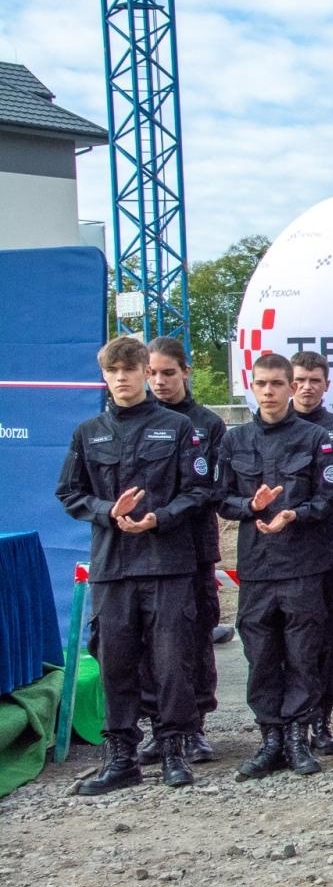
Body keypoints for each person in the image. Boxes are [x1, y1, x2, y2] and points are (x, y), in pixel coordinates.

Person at [57, 336, 209, 792]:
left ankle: (174, 751)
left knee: (172, 662)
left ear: (146, 371)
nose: (121, 377)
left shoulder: (178, 428)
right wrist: (109, 512)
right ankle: (121, 758)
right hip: (114, 567)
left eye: (130, 368)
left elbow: (200, 493)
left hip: (167, 564)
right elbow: (69, 494)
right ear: (104, 376)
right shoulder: (88, 433)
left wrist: (157, 518)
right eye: (113, 370)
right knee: (115, 663)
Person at [215, 353, 333, 779]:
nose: (268, 392)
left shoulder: (315, 438)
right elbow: (220, 498)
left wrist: (295, 513)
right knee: (262, 655)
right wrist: (249, 506)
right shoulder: (235, 442)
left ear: (290, 388)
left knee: (304, 654)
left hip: (304, 565)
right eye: (261, 384)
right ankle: (270, 737)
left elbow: (330, 497)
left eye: (276, 384)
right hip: (256, 568)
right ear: (252, 387)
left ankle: (298, 736)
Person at [143, 336, 226, 766]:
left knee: (193, 636)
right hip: (144, 549)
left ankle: (193, 726)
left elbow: (209, 488)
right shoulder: (131, 420)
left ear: (186, 372)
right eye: (152, 373)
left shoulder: (206, 424)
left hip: (192, 547)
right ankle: (161, 727)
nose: (159, 382)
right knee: (151, 642)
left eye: (168, 373)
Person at [289, 351, 333, 756]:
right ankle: (290, 722)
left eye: (315, 380)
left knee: (327, 640)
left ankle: (322, 717)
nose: (306, 387)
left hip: (326, 554)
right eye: (299, 379)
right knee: (289, 645)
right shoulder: (275, 428)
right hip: (278, 557)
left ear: (327, 385)